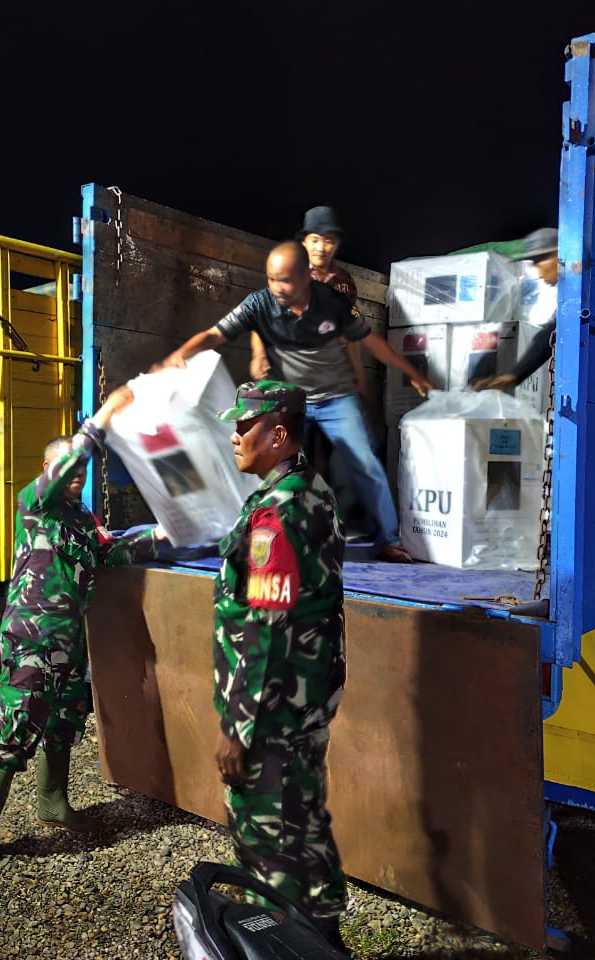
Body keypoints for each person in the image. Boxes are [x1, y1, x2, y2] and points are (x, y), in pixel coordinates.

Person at [0, 386, 167, 875]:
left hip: (70, 638)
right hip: (31, 637)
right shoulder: (35, 503)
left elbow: (108, 554)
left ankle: (53, 801)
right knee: (15, 725)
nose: (78, 475)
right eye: (69, 468)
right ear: (49, 470)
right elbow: (69, 463)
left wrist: (159, 536)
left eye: (82, 471)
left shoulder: (81, 520)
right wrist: (103, 418)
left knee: (62, 722)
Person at [158, 241, 432, 563]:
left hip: (335, 399)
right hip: (291, 402)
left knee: (365, 464)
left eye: (285, 280)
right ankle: (255, 531)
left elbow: (371, 341)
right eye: (271, 279)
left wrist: (410, 372)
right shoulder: (260, 302)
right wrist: (181, 354)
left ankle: (388, 539)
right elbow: (215, 334)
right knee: (264, 461)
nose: (277, 287)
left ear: (305, 276)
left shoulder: (334, 303)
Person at [212, 379, 350, 953]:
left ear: (278, 436)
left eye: (245, 426)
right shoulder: (311, 490)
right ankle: (326, 944)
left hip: (273, 711)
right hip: (304, 697)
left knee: (268, 844)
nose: (235, 435)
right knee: (305, 824)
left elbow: (267, 627)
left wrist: (238, 727)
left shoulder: (279, 511)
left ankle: (287, 946)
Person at [250, 206, 363, 394]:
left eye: (328, 241)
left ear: (336, 243)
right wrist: (258, 354)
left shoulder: (345, 283)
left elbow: (351, 333)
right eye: (315, 240)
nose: (321, 248)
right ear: (304, 243)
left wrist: (358, 375)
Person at [471, 227, 559, 392]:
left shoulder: (583, 296)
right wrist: (513, 376)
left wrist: (514, 376)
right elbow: (550, 334)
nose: (538, 274)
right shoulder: (568, 299)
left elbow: (551, 333)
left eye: (538, 262)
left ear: (557, 257)